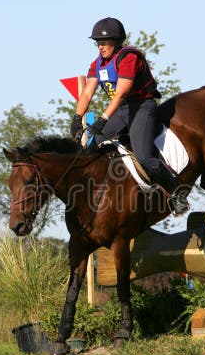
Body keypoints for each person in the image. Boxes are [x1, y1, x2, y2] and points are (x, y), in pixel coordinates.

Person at [70, 17, 189, 214]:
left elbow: (121, 94)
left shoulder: (128, 58)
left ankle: (177, 194)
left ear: (116, 41)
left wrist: (102, 120)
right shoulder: (96, 64)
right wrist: (76, 118)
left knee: (144, 158)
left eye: (104, 42)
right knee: (91, 149)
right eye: (98, 43)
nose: (100, 47)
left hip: (142, 107)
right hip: (121, 110)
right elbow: (87, 93)